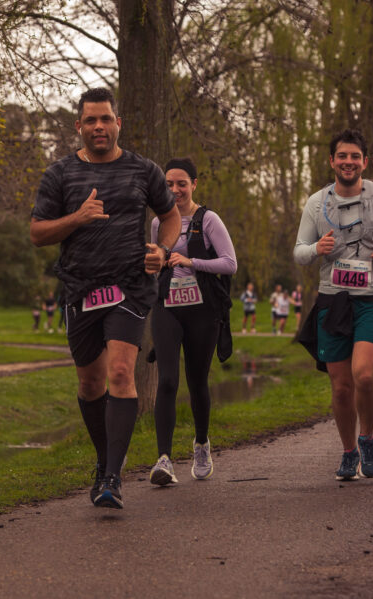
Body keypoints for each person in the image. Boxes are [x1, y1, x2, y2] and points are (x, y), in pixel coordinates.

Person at [29, 87, 180, 509]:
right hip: (80, 288)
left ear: (118, 123)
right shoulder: (59, 174)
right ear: (79, 126)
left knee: (120, 373)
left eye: (106, 119)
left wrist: (162, 250)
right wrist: (77, 218)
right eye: (91, 120)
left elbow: (170, 216)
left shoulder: (143, 170)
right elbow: (37, 233)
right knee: (91, 383)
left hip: (129, 287)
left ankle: (113, 477)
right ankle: (104, 460)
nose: (99, 126)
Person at [294, 128, 373, 480]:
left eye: (355, 156)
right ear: (332, 161)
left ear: (365, 162)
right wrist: (316, 249)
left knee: (365, 375)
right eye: (342, 156)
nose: (348, 162)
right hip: (334, 300)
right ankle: (348, 452)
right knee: (341, 387)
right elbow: (299, 252)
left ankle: (368, 439)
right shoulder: (316, 202)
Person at [148, 157, 237, 486]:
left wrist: (191, 262)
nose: (175, 190)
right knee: (167, 380)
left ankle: (201, 444)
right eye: (169, 184)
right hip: (168, 307)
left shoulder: (208, 219)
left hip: (202, 310)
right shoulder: (158, 223)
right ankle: (164, 459)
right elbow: (157, 263)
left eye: (181, 184)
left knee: (197, 381)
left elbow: (230, 263)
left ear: (194, 184)